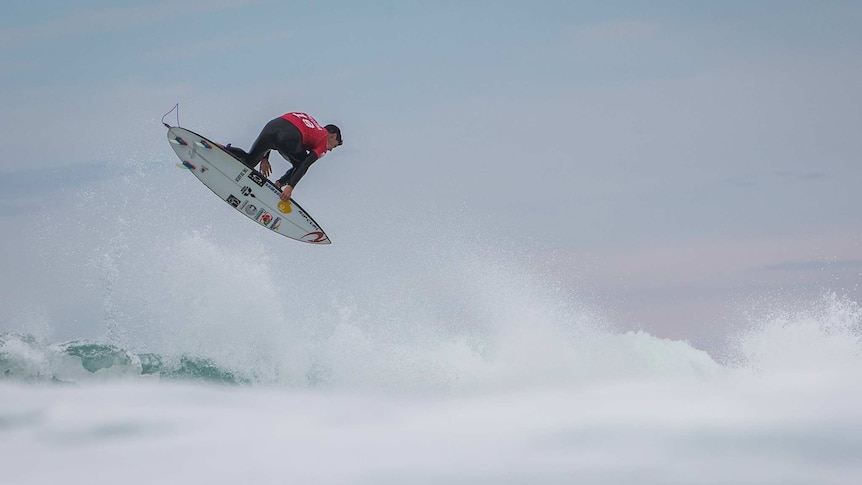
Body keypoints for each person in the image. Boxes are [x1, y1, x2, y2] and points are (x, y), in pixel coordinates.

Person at [224, 112, 342, 201]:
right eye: (334, 146)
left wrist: (264, 158)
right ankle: (279, 184)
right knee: (300, 162)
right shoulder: (323, 141)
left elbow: (282, 128)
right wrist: (290, 186)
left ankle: (223, 148)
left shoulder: (312, 123)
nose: (330, 149)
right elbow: (305, 164)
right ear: (333, 136)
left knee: (249, 161)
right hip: (290, 135)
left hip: (272, 125)